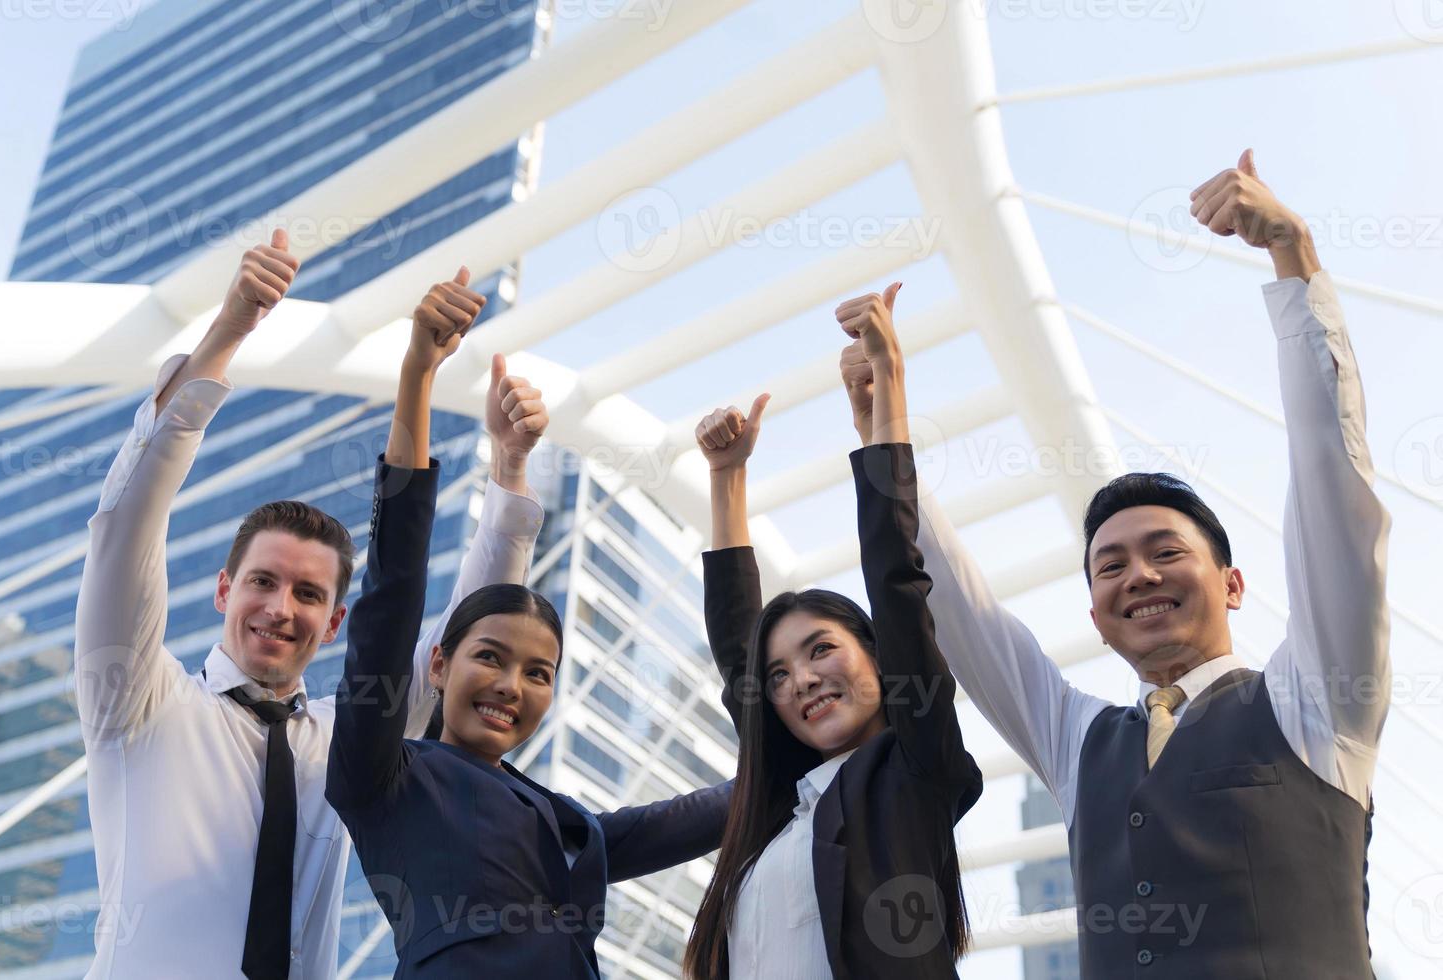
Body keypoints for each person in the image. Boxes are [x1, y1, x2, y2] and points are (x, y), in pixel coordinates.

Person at [839, 151, 1391, 975]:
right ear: (1096, 619)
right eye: (1110, 567)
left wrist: (1294, 258)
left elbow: (1332, 488)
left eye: (1166, 552)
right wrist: (884, 435)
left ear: (1233, 584)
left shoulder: (1318, 702)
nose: (1138, 575)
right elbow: (953, 608)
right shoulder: (1078, 743)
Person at [72, 239, 547, 979]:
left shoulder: (346, 739)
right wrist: (228, 331)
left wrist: (509, 468)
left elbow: (474, 637)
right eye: (261, 582)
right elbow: (126, 524)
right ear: (225, 591)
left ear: (334, 623)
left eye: (307, 594)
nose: (279, 607)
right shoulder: (136, 699)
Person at [324, 299, 734, 979]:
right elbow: (390, 595)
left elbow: (687, 818)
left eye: (540, 672)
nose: (513, 685)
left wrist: (803, 749)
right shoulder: (385, 772)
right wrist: (418, 374)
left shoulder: (559, 817)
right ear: (439, 664)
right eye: (490, 657)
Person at [683, 285, 983, 979]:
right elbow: (739, 657)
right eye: (782, 675)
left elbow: (898, 585)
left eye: (821, 649)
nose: (804, 680)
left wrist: (887, 403)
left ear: (880, 659)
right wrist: (727, 479)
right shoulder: (777, 822)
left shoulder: (913, 772)